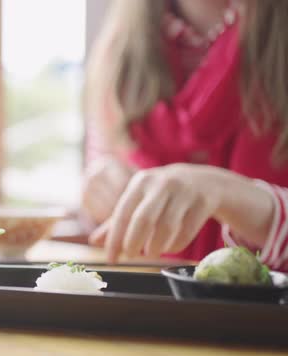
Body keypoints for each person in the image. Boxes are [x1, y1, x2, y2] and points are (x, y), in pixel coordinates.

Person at [81, 0, 288, 271]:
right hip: (153, 300)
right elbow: (99, 190)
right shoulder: (118, 51)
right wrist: (102, 188)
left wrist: (231, 195)